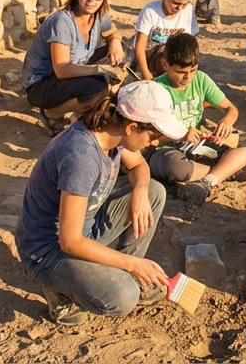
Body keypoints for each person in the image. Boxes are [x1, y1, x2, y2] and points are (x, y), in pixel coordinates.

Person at [16, 80, 188, 326]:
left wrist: (139, 191)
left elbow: (139, 166)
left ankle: (121, 275)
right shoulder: (81, 157)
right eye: (152, 136)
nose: (155, 143)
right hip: (48, 252)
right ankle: (62, 291)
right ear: (131, 127)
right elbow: (70, 241)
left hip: (85, 229)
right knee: (123, 297)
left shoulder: (111, 134)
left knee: (153, 191)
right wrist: (133, 263)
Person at [148, 33, 246, 206]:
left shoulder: (200, 79)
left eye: (192, 70)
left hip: (198, 143)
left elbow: (231, 109)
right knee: (175, 167)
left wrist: (227, 122)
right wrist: (180, 135)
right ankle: (225, 171)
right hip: (168, 148)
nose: (187, 77)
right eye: (180, 72)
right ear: (165, 64)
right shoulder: (155, 89)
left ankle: (206, 181)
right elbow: (149, 139)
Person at [22, 0, 125, 135]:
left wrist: (115, 41)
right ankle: (53, 113)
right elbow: (62, 70)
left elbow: (113, 32)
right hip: (41, 84)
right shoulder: (62, 22)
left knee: (119, 52)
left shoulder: (98, 15)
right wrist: (100, 70)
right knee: (97, 87)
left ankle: (86, 104)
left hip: (73, 68)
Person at [131, 0, 198, 81]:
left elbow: (189, 43)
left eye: (184, 4)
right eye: (175, 3)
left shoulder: (189, 10)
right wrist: (146, 75)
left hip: (173, 54)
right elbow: (139, 47)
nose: (180, 8)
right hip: (152, 55)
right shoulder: (150, 11)